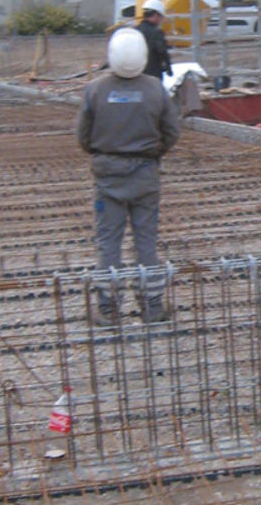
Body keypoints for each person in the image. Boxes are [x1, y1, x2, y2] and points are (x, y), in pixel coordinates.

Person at [76, 27, 180, 325]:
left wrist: (104, 154)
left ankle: (108, 309)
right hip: (146, 175)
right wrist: (153, 152)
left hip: (108, 177)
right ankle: (152, 306)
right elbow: (172, 132)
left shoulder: (94, 90)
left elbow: (82, 137)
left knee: (109, 242)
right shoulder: (155, 89)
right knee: (146, 241)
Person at [136, 0, 173, 81]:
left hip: (136, 75)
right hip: (153, 76)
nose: (161, 20)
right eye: (161, 17)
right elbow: (162, 52)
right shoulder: (156, 33)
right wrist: (169, 69)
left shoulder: (135, 31)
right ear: (156, 15)